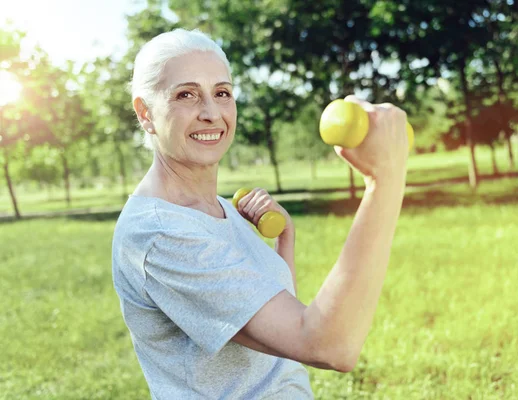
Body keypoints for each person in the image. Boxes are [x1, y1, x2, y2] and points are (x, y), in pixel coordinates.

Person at [112, 28, 410, 400]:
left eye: (222, 93)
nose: (211, 113)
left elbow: (279, 332)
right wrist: (385, 180)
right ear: (145, 113)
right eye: (186, 95)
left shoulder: (218, 209)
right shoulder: (161, 234)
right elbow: (329, 346)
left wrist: (285, 240)